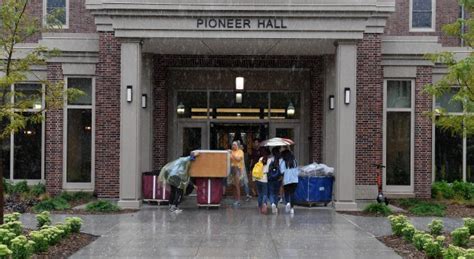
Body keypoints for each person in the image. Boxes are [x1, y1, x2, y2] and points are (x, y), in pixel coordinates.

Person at [280, 149, 298, 215]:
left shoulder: (283, 162)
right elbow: (297, 170)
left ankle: (287, 202)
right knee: (292, 193)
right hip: (295, 180)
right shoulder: (294, 161)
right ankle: (292, 208)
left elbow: (282, 171)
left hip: (287, 180)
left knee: (287, 193)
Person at [254, 147, 270, 214]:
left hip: (258, 178)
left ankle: (260, 206)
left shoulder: (260, 159)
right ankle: (264, 204)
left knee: (260, 193)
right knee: (265, 193)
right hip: (265, 178)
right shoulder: (270, 160)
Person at [229, 141, 244, 206]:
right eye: (232, 145)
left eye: (234, 145)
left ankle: (238, 200)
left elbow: (238, 159)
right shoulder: (231, 151)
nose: (233, 146)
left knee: (237, 185)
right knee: (233, 185)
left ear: (237, 145)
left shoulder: (240, 152)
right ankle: (235, 199)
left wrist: (231, 154)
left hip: (238, 169)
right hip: (232, 169)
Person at [267, 147, 281, 214]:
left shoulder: (269, 159)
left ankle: (272, 203)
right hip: (278, 179)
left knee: (271, 192)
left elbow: (267, 169)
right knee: (276, 193)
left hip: (270, 179)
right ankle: (276, 206)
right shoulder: (280, 160)